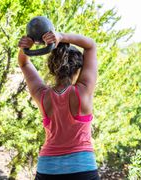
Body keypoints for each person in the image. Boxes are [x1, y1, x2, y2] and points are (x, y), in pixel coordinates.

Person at [18, 31, 99, 180]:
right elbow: (91, 45)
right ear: (78, 69)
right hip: (81, 167)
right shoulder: (83, 91)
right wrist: (61, 37)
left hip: (48, 169)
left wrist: (26, 48)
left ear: (51, 68)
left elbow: (24, 63)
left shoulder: (42, 95)